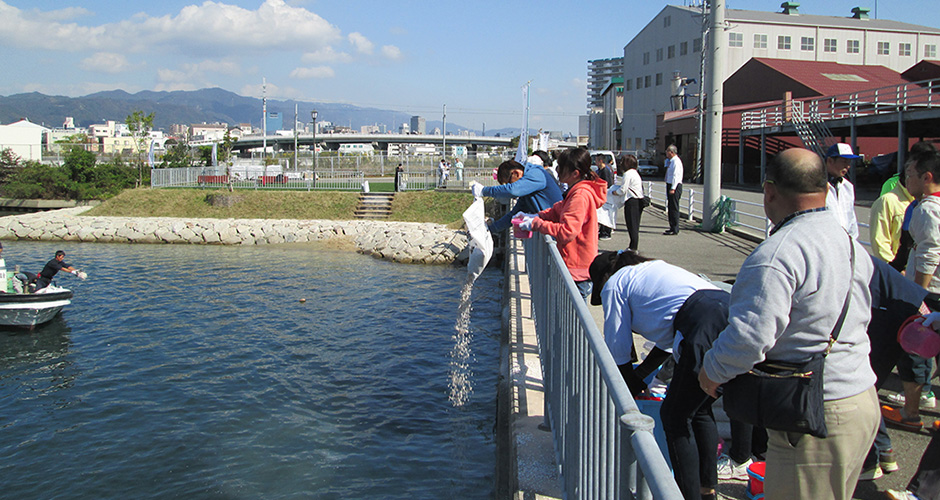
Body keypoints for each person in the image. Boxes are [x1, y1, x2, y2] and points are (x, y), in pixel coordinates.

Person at [698, 148, 878, 500]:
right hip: (859, 395)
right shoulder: (848, 241)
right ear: (825, 189)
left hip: (813, 411)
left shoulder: (778, 253)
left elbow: (750, 338)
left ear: (769, 190)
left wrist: (712, 370)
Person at [589, 250, 726, 500]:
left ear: (603, 279)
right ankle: (707, 490)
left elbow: (617, 350)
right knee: (701, 409)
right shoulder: (651, 269)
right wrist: (639, 377)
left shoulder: (614, 284)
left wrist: (628, 386)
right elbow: (664, 345)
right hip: (724, 307)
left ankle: (687, 495)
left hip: (700, 321)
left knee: (674, 416)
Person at [518, 147, 606, 300]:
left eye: (560, 168)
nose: (557, 170)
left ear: (575, 173)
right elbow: (557, 210)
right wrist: (535, 216)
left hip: (576, 269)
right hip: (575, 265)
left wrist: (536, 223)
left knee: (571, 320)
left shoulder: (580, 196)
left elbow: (567, 232)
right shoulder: (576, 191)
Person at [469, 158, 562, 233]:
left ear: (516, 173)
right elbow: (514, 215)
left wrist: (484, 191)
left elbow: (512, 190)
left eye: (509, 182)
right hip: (552, 229)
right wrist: (491, 229)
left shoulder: (536, 174)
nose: (508, 186)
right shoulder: (527, 192)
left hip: (559, 227)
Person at [825, 143, 861, 239]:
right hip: (825, 241)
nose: (848, 166)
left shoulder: (848, 186)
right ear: (830, 161)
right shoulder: (817, 186)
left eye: (849, 162)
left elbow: (851, 217)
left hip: (845, 242)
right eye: (844, 161)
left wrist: (852, 241)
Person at [616, 154, 644, 251]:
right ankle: (633, 246)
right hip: (639, 200)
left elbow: (623, 189)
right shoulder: (635, 173)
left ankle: (633, 247)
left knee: (631, 225)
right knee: (635, 225)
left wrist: (614, 192)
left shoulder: (627, 174)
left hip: (631, 201)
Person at [664, 145, 683, 235]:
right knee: (670, 207)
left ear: (671, 152)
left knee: (674, 207)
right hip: (670, 184)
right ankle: (672, 226)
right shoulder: (671, 162)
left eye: (667, 151)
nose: (666, 153)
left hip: (674, 186)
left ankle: (675, 228)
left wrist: (673, 188)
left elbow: (676, 176)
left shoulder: (676, 162)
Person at [596, 155, 615, 239]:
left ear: (600, 161)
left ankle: (606, 232)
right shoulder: (599, 170)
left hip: (605, 195)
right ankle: (602, 231)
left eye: (596, 160)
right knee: (601, 214)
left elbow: (608, 183)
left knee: (606, 214)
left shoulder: (605, 170)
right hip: (601, 195)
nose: (595, 162)